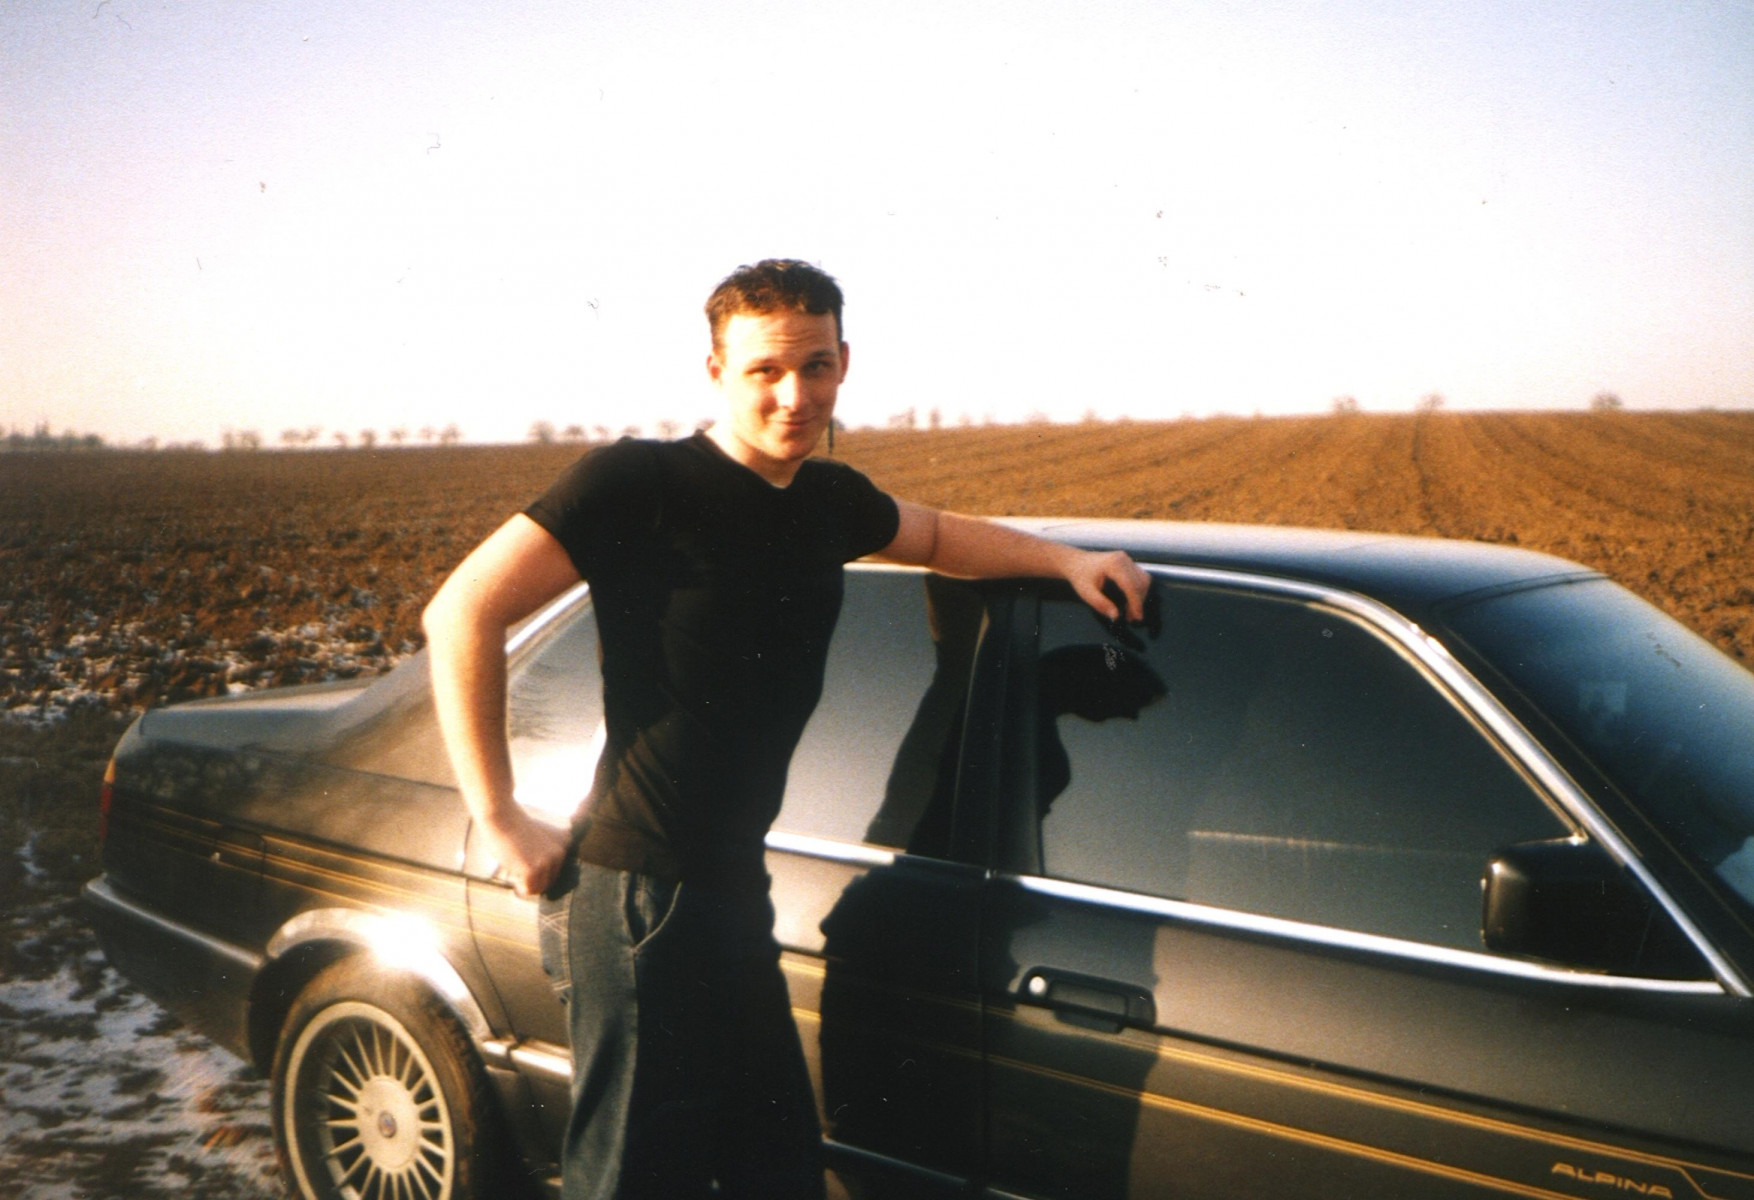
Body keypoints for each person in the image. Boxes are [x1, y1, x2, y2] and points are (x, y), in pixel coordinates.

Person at [421, 259, 1150, 1200]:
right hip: (641, 890)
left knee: (777, 1168)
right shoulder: (640, 482)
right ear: (716, 370)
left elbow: (936, 536)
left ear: (844, 362)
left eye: (815, 366)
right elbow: (462, 611)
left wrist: (1067, 562)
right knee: (634, 1178)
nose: (794, 395)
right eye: (764, 369)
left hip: (733, 886)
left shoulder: (828, 501)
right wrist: (499, 814)